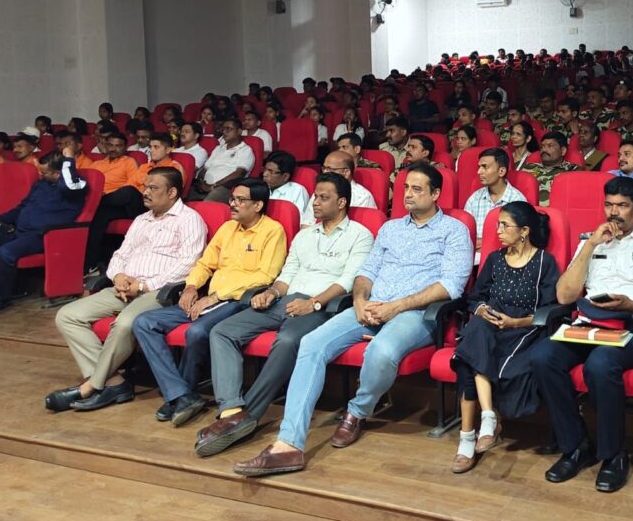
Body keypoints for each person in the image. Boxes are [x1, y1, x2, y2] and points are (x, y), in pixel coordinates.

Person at [233, 163, 472, 477]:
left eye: (417, 189)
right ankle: (288, 444)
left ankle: (357, 411)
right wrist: (359, 301)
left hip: (414, 313)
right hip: (370, 307)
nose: (408, 195)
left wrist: (396, 307)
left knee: (381, 351)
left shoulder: (454, 231)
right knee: (311, 344)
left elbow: (451, 286)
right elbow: (366, 273)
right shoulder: (390, 228)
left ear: (436, 193)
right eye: (405, 188)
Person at [196, 173, 374, 457]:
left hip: (323, 306)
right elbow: (287, 275)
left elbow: (349, 280)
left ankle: (250, 414)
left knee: (289, 340)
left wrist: (313, 303)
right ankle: (231, 410)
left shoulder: (360, 235)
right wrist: (272, 292)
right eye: (315, 196)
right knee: (222, 331)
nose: (315, 202)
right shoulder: (305, 235)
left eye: (323, 197)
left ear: (341, 202)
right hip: (287, 300)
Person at [531, 177, 633, 492]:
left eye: (622, 206)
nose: (614, 212)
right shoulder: (591, 240)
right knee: (543, 356)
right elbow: (564, 295)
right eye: (609, 205)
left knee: (600, 363)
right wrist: (590, 246)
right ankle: (575, 446)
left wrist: (632, 304)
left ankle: (613, 455)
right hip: (589, 325)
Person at [47, 167, 206, 412]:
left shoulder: (189, 220)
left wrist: (143, 286)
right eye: (145, 187)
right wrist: (119, 276)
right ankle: (114, 382)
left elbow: (189, 264)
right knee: (67, 315)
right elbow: (121, 254)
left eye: (153, 188)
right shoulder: (141, 220)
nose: (146, 192)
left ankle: (92, 385)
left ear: (172, 192)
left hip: (158, 291)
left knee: (124, 324)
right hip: (124, 288)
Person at [131, 179, 287, 427]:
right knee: (144, 322)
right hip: (208, 299)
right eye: (232, 199)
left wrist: (215, 297)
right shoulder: (227, 228)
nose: (232, 204)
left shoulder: (272, 231)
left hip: (237, 301)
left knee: (197, 331)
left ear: (258, 205)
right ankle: (181, 394)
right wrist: (191, 287)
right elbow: (205, 264)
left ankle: (183, 393)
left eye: (240, 200)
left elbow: (265, 276)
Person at [449, 202, 560, 473]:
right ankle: (483, 422)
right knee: (476, 331)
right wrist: (482, 310)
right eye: (497, 224)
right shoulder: (495, 259)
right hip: (489, 327)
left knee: (468, 358)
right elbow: (475, 297)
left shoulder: (544, 262)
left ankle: (473, 435)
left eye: (504, 225)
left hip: (523, 330)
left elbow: (549, 310)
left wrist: (514, 322)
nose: (497, 231)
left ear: (524, 231)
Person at [0, 148, 89, 313]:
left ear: (57, 173)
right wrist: (0, 219)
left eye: (44, 172)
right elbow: (22, 206)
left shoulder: (76, 186)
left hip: (42, 236)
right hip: (17, 230)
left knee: (4, 253)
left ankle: (1, 298)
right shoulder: (41, 184)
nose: (40, 175)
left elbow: (69, 185)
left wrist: (69, 159)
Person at [85, 132, 185, 273]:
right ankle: (91, 263)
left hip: (154, 207)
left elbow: (171, 195)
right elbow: (131, 183)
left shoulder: (173, 168)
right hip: (134, 204)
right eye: (151, 147)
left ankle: (93, 202)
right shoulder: (144, 167)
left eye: (156, 147)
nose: (152, 150)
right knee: (102, 213)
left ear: (168, 150)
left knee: (128, 192)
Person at [463, 148, 526, 255]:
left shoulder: (517, 200)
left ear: (501, 171)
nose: (479, 172)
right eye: (479, 167)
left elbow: (519, 239)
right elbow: (464, 233)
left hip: (506, 256)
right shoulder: (474, 198)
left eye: (485, 167)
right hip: (473, 254)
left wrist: (486, 244)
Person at [300, 151, 377, 226]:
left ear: (346, 173)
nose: (325, 173)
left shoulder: (363, 197)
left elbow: (362, 229)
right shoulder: (319, 192)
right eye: (324, 168)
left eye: (330, 169)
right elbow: (306, 224)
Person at [192, 119, 255, 203]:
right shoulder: (218, 148)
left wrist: (215, 185)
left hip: (227, 188)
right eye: (223, 129)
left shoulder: (245, 150)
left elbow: (239, 173)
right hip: (206, 186)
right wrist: (202, 183)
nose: (224, 132)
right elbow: (205, 169)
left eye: (228, 129)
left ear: (239, 131)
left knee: (208, 202)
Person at [523, 132, 581, 206]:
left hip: (556, 210)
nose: (544, 149)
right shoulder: (528, 167)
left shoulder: (573, 170)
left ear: (563, 151)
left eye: (550, 146)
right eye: (542, 146)